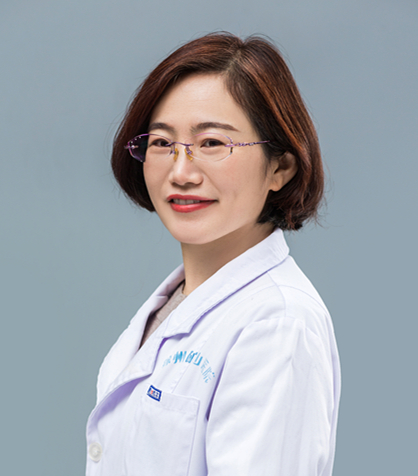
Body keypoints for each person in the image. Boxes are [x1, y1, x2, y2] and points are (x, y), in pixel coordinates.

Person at [85, 32, 341, 476]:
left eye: (212, 143)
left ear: (280, 167)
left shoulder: (277, 325)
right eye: (162, 143)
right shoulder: (174, 305)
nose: (181, 172)